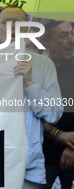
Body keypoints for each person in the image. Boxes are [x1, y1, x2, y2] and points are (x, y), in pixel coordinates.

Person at [0, 5, 63, 188]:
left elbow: (54, 114)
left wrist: (30, 84)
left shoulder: (43, 64)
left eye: (18, 22)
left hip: (28, 165)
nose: (12, 26)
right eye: (5, 22)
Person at [39, 19, 74, 189]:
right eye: (63, 35)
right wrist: (57, 134)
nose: (71, 40)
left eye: (72, 34)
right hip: (41, 160)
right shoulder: (35, 69)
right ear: (46, 40)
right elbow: (26, 113)